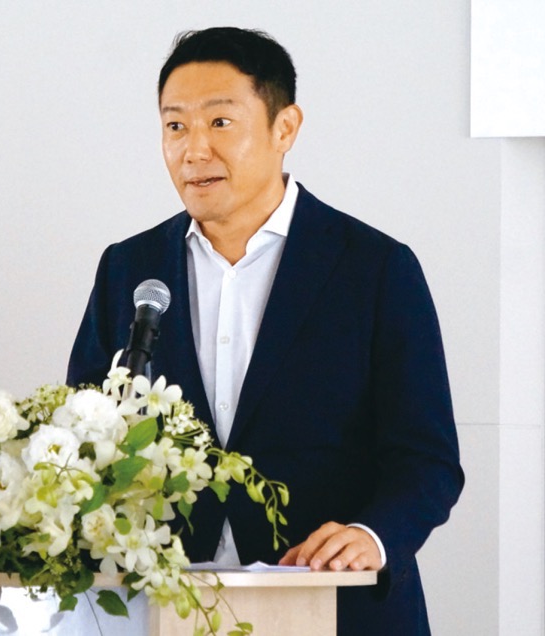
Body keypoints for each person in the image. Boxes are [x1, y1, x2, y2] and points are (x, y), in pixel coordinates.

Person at [67, 26, 464, 635]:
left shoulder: (375, 267)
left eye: (220, 122)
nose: (194, 149)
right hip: (166, 607)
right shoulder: (129, 267)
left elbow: (427, 458)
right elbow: (83, 431)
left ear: (286, 128)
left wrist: (373, 535)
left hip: (334, 606)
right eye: (175, 126)